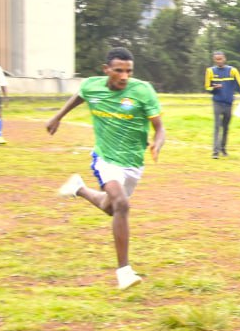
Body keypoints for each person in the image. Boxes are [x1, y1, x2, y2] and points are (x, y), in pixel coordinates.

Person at [46, 47, 165, 290]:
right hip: (105, 159)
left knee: (111, 208)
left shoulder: (143, 91)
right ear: (106, 70)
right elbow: (80, 95)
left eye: (129, 71)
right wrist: (58, 116)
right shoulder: (93, 85)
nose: (124, 76)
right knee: (121, 203)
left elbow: (160, 128)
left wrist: (157, 144)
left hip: (133, 163)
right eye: (118, 71)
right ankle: (124, 272)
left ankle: (78, 188)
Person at [204, 51, 240, 158]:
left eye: (221, 59)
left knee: (226, 127)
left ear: (225, 58)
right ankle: (215, 152)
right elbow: (207, 87)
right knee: (217, 126)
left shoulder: (232, 71)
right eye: (217, 59)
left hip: (228, 103)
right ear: (214, 60)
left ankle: (223, 148)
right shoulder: (210, 71)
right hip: (217, 102)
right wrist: (214, 88)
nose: (219, 61)